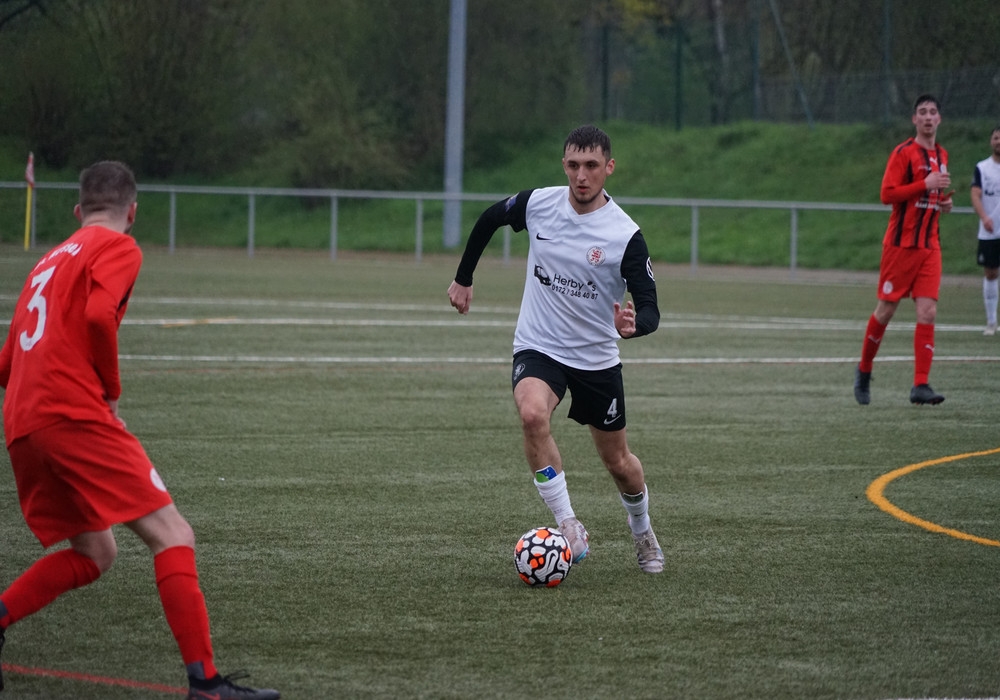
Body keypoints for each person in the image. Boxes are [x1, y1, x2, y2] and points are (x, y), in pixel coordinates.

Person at [0, 162, 279, 700]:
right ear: (132, 211)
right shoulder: (119, 245)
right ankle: (206, 684)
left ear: (78, 211)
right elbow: (99, 316)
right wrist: (109, 391)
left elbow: (7, 363)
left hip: (22, 423)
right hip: (70, 414)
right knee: (172, 535)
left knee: (95, 552)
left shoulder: (46, 262)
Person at [447, 125, 664, 574]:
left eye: (591, 166)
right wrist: (464, 278)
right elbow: (489, 218)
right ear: (563, 164)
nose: (581, 176)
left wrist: (633, 326)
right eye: (573, 165)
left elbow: (650, 308)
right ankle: (567, 523)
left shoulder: (625, 235)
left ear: (609, 167)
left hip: (596, 358)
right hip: (539, 345)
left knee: (619, 463)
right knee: (532, 415)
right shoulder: (539, 204)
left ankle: (642, 528)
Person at [853, 94, 954, 406]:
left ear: (939, 119)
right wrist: (925, 185)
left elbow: (932, 195)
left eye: (933, 112)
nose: (928, 117)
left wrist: (944, 202)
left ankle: (920, 385)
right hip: (900, 246)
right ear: (914, 119)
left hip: (930, 246)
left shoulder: (942, 154)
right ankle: (864, 370)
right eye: (922, 112)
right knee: (886, 310)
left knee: (928, 311)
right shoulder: (903, 153)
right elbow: (887, 194)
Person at [971, 126, 1000, 335]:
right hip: (990, 231)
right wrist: (984, 218)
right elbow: (975, 194)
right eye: (996, 138)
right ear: (991, 141)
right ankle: (991, 322)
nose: (999, 142)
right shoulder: (982, 168)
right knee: (991, 273)